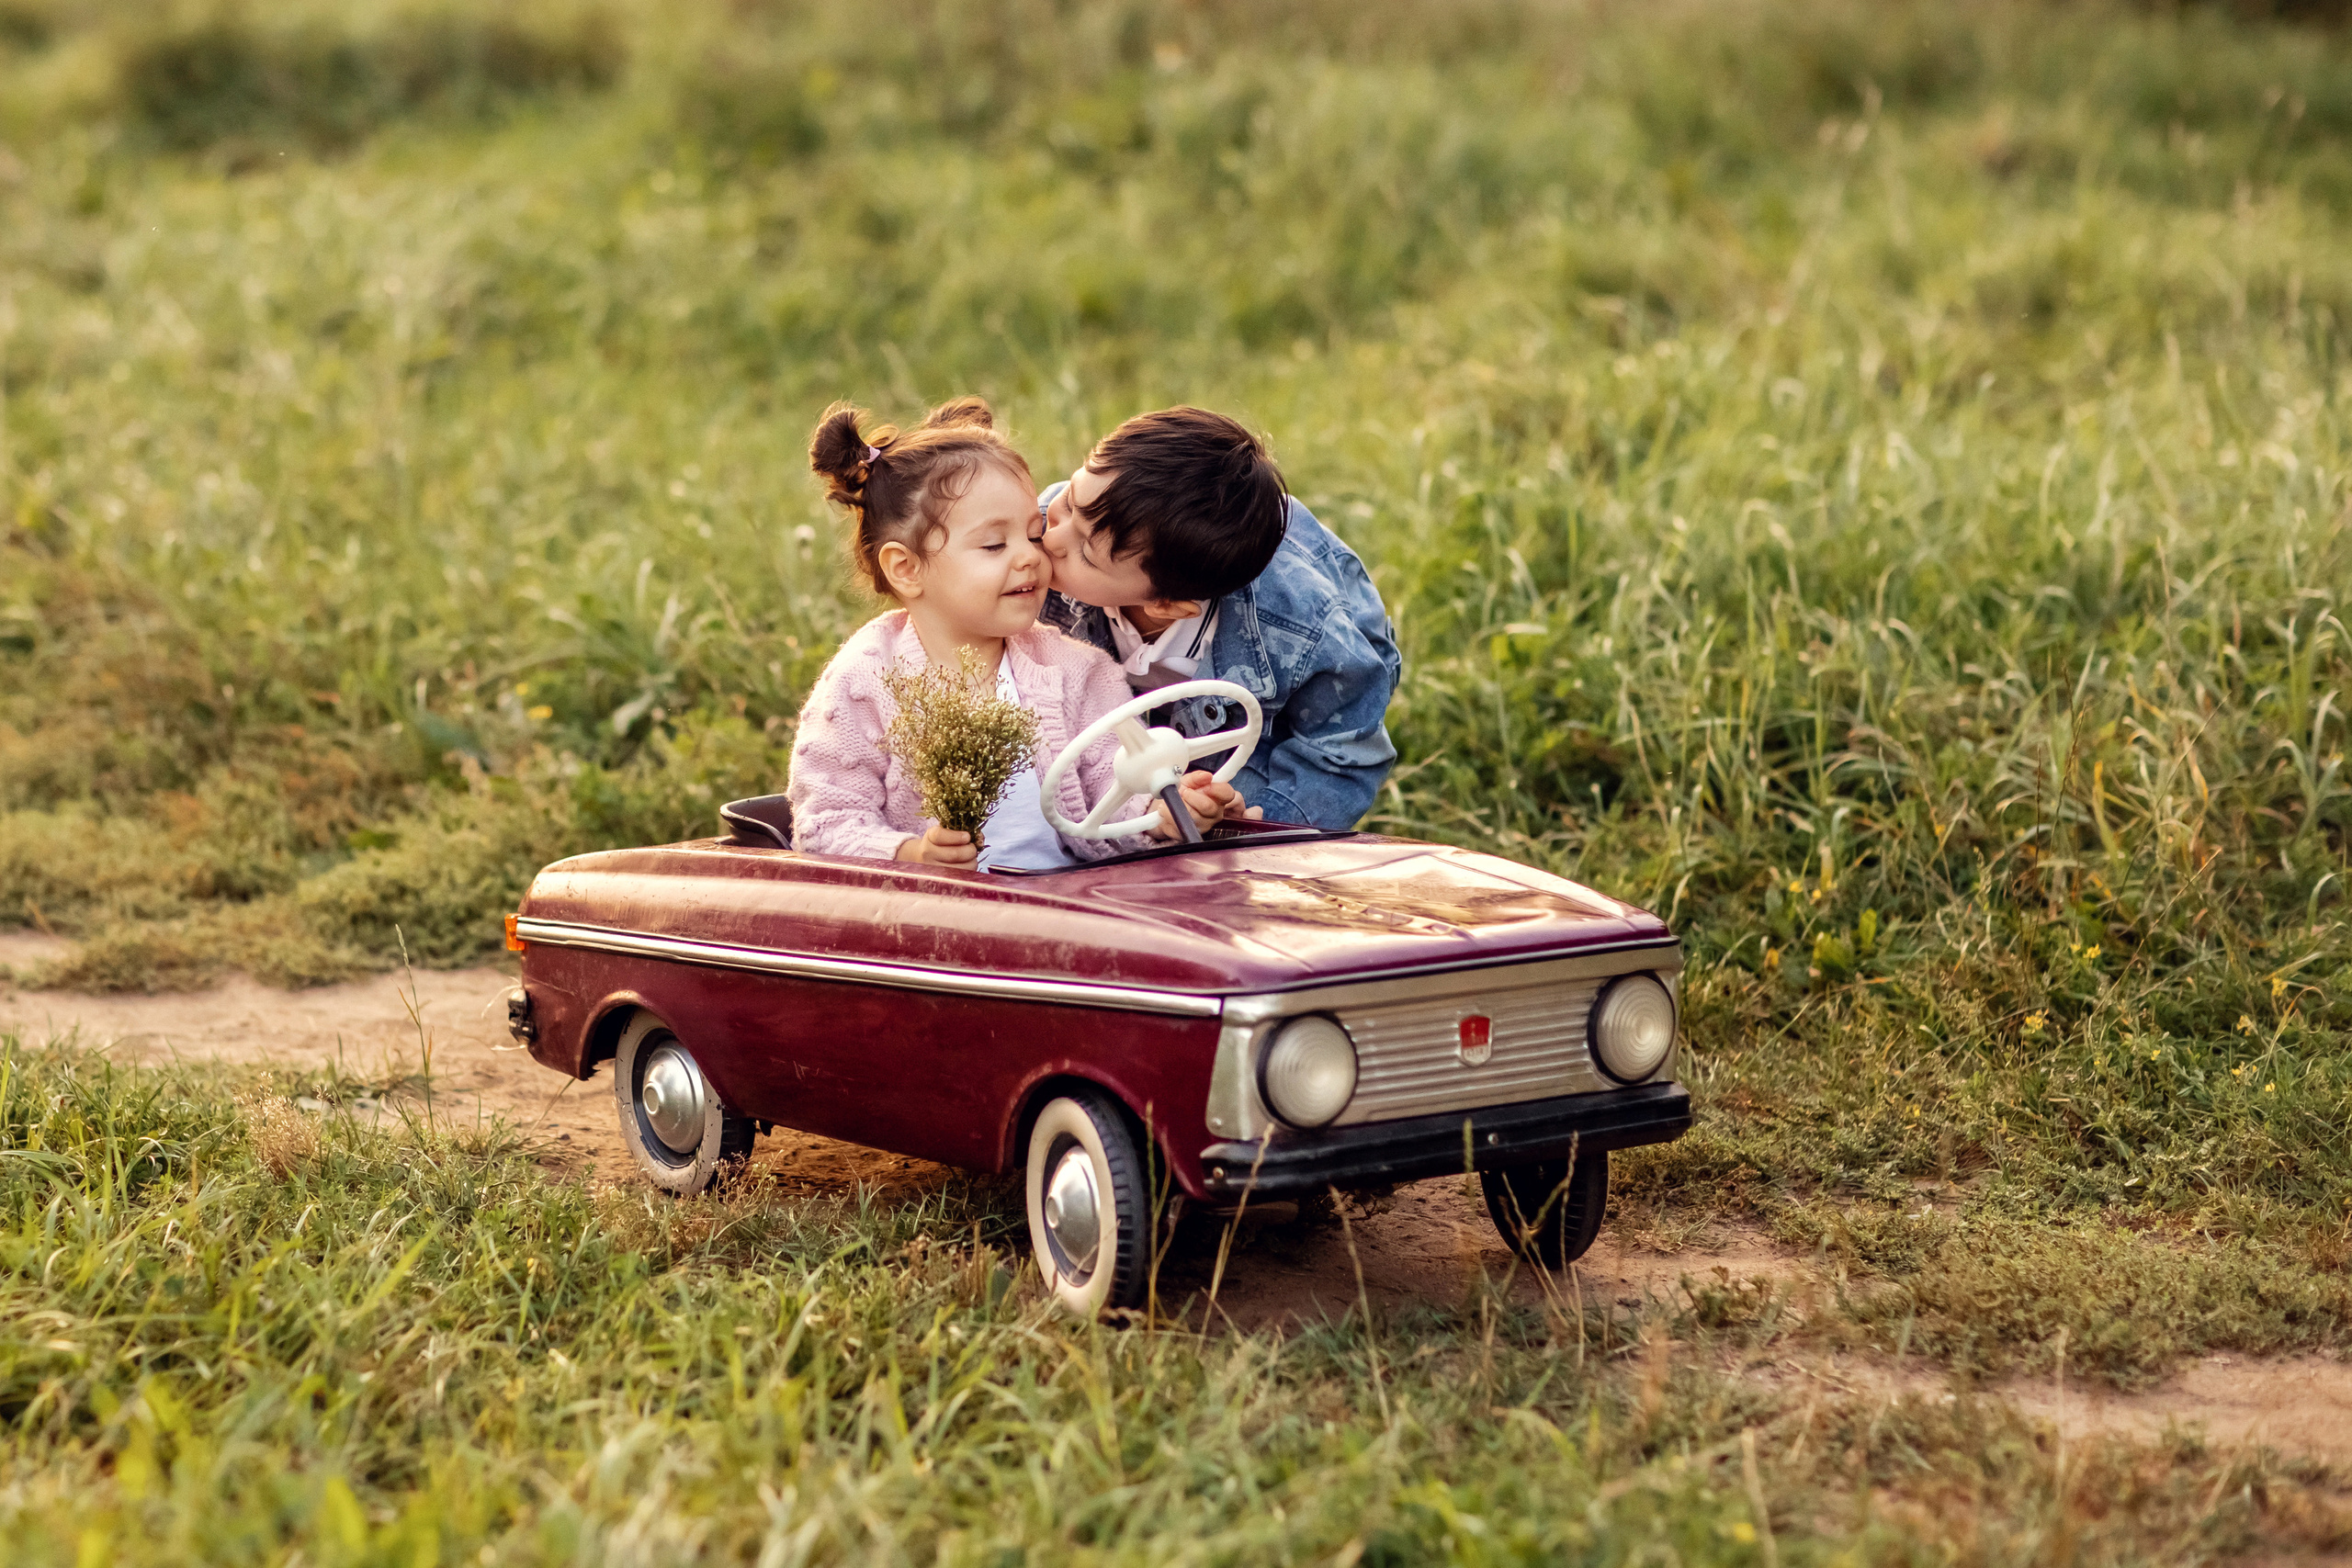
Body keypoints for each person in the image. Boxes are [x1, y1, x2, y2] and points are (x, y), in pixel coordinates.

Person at [787, 398, 1241, 869]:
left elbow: (1115, 796)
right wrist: (911, 854)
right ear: (906, 568)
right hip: (931, 922)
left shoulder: (1079, 672)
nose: (1030, 556)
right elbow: (827, 822)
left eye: (1033, 531)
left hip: (1072, 913)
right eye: (993, 544)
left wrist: (1160, 814)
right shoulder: (865, 682)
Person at [1036, 407, 1401, 831]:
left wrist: (1258, 826)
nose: (1050, 536)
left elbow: (1344, 754)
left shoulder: (1300, 628)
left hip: (1272, 699)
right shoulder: (1069, 519)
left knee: (1223, 796)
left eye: (1084, 552)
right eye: (1070, 500)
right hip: (1151, 680)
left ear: (1167, 606)